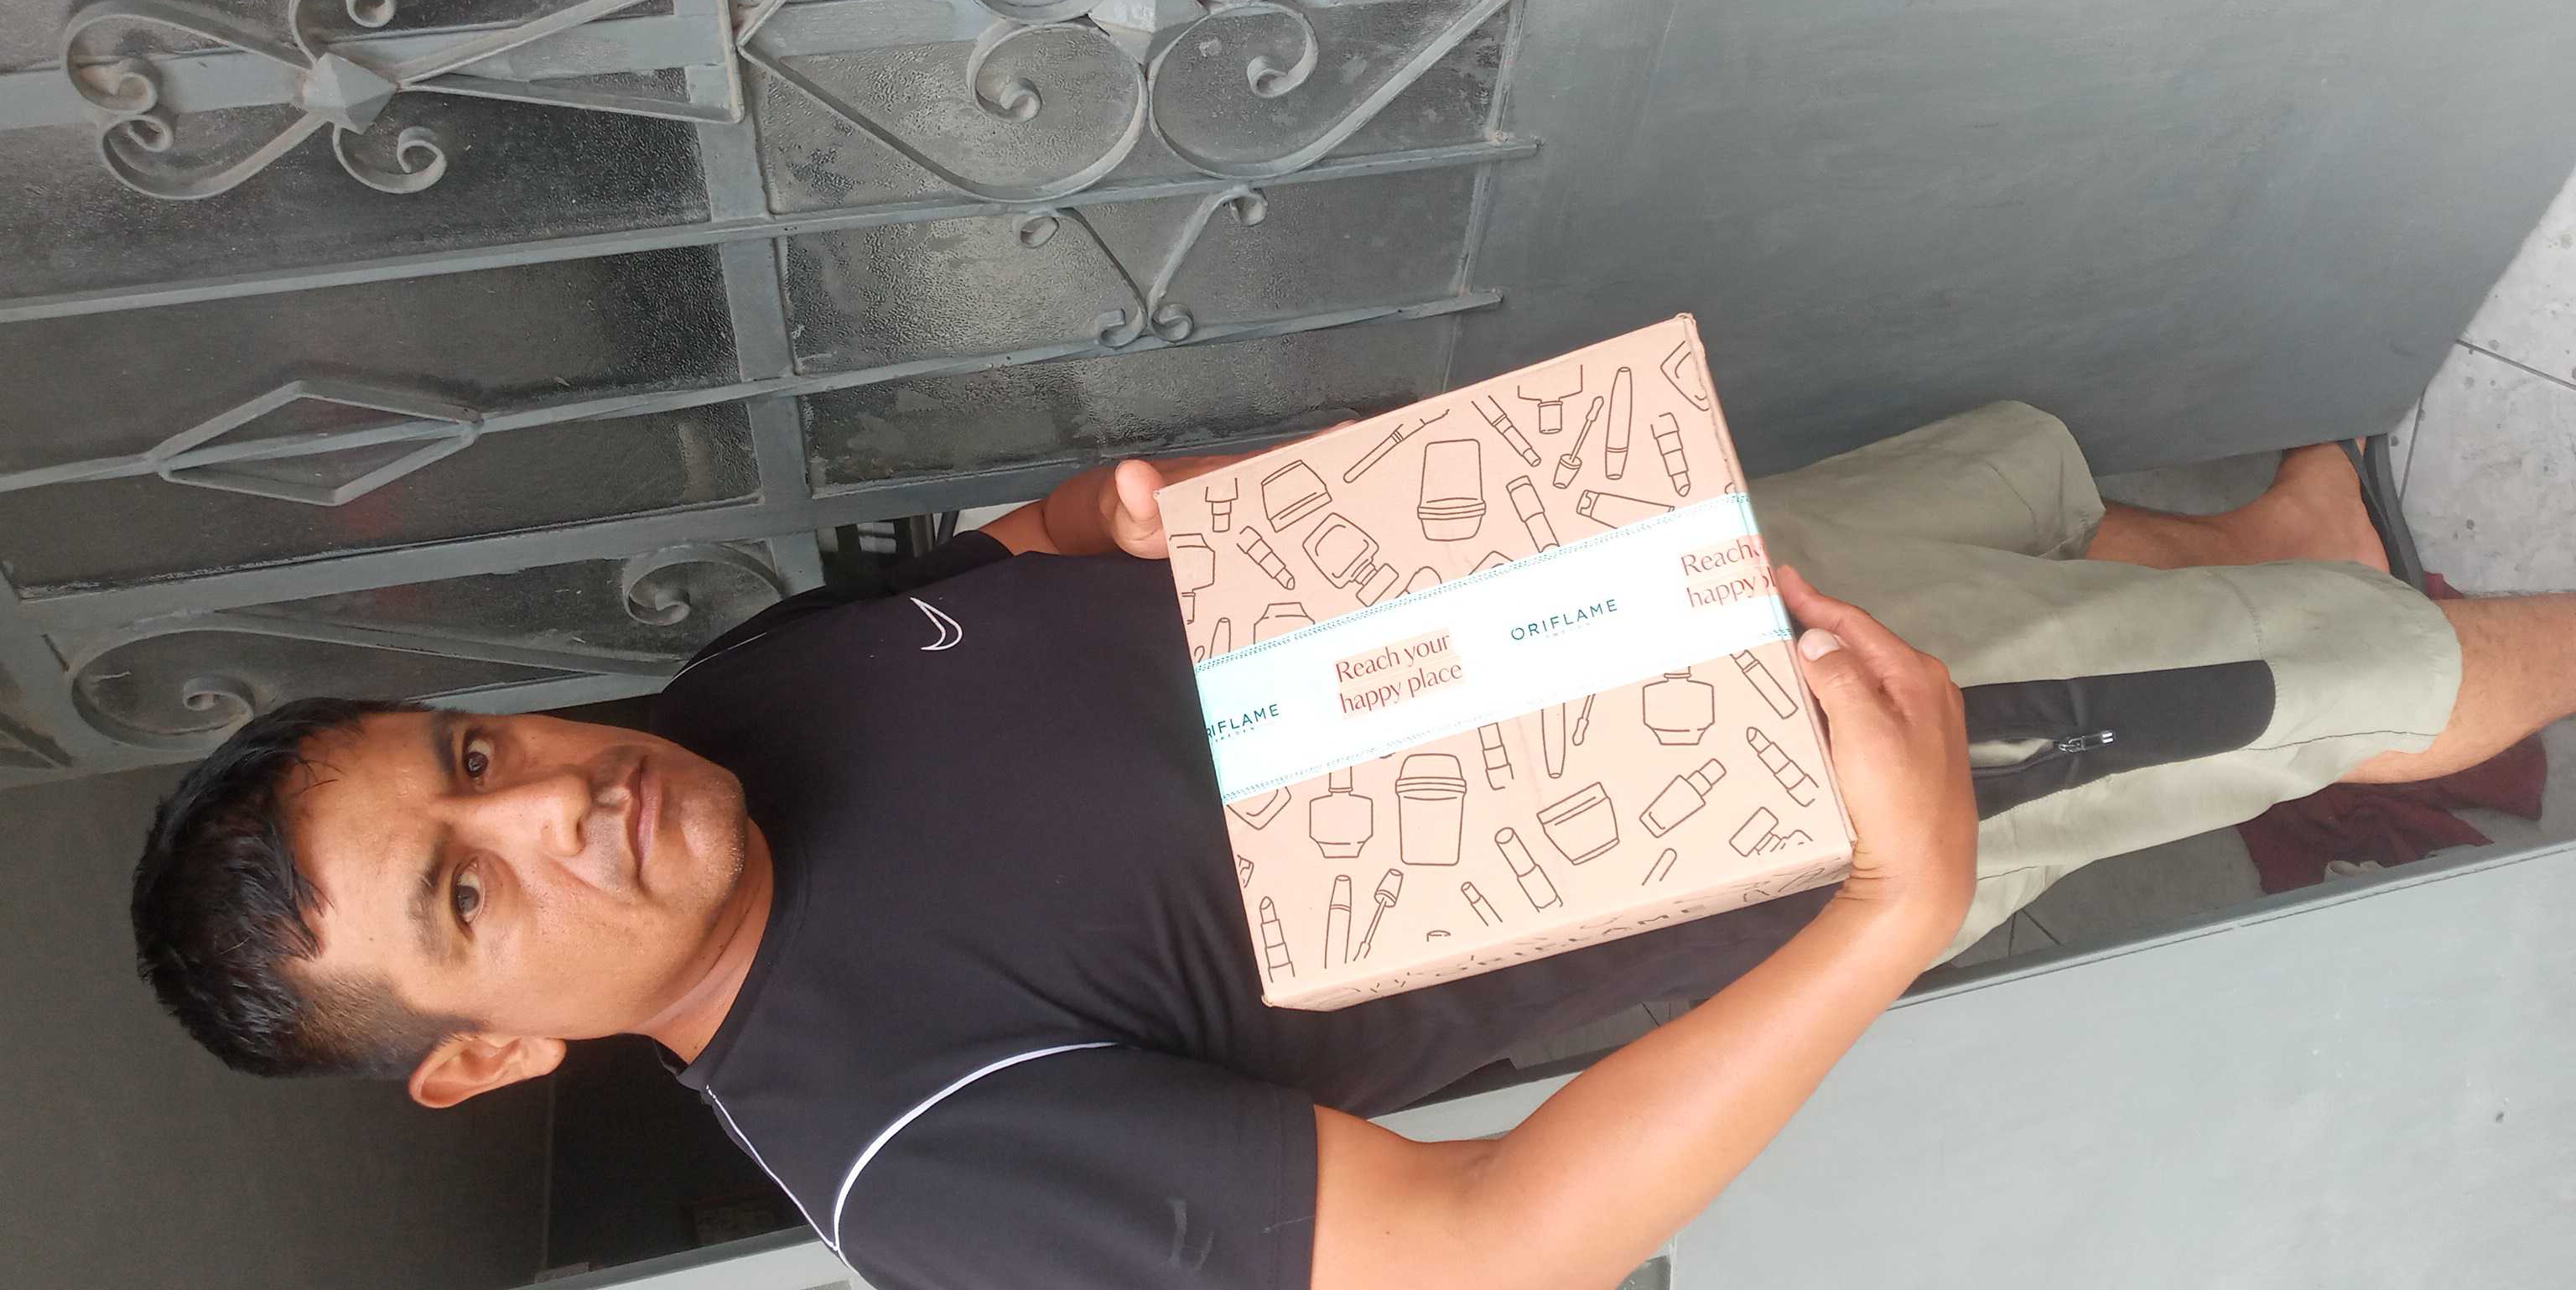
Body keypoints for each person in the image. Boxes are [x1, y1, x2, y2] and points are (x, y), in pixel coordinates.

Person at [130, 402, 2558, 1290]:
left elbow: (1012, 556)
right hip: (1801, 783)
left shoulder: (727, 711)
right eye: (472, 894)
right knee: (2346, 687)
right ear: (480, 1061)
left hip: (1630, 570)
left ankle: (2285, 524)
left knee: (2019, 488)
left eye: (468, 750)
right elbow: (1491, 1250)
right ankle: (2438, 631)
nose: (552, 799)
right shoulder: (918, 1156)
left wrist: (1107, 513)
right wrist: (1889, 903)